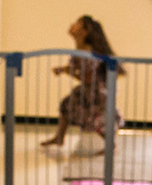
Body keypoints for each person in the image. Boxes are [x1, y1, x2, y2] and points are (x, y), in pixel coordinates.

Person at [40, 15, 125, 147]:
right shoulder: (80, 49)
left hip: (98, 92)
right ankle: (59, 137)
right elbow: (79, 68)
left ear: (84, 31)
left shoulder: (89, 52)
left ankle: (111, 145)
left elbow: (88, 77)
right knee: (67, 104)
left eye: (77, 23)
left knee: (97, 119)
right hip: (88, 89)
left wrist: (68, 72)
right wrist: (64, 69)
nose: (72, 24)